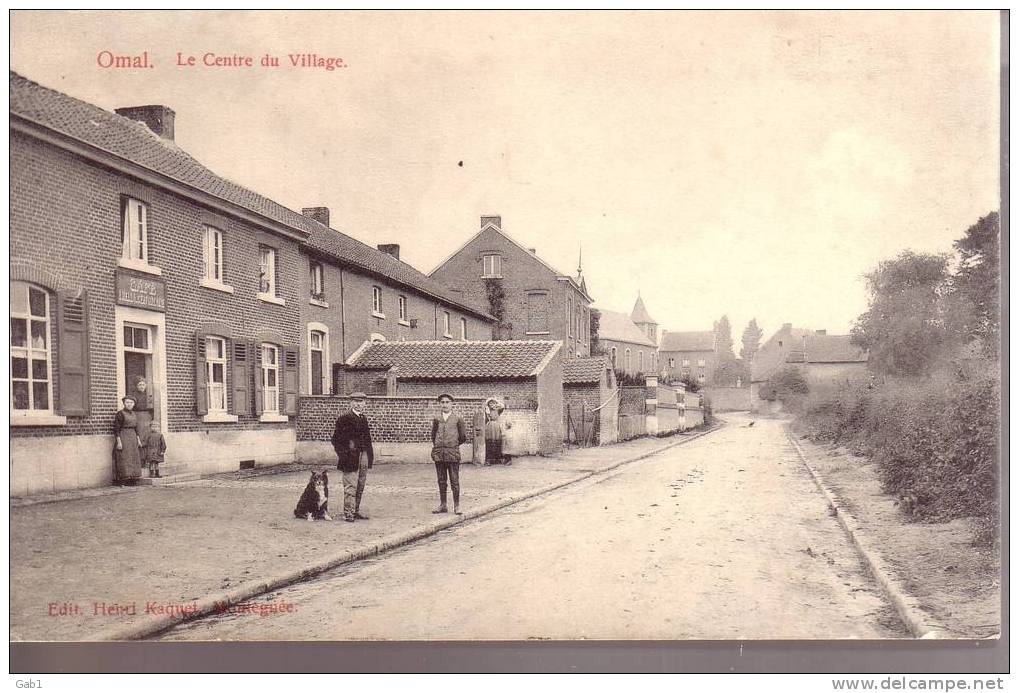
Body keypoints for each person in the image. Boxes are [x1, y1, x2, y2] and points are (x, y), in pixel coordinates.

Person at [331, 392, 374, 523]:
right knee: (351, 486)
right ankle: (348, 513)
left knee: (360, 484)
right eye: (355, 401)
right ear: (351, 403)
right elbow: (336, 441)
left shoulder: (363, 418)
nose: (358, 404)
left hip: (363, 456)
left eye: (361, 401)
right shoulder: (345, 418)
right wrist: (344, 456)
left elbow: (367, 439)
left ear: (365, 403)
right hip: (350, 457)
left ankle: (355, 510)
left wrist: (369, 456)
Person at [430, 393, 468, 515]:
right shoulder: (437, 419)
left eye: (447, 402)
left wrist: (452, 445)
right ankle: (443, 505)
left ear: (452, 404)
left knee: (454, 481)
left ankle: (457, 506)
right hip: (439, 454)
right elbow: (433, 435)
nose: (445, 404)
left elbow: (462, 437)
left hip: (452, 454)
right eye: (442, 402)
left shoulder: (458, 419)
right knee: (441, 480)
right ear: (440, 404)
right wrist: (438, 446)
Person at [113, 396, 143, 484]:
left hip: (133, 436)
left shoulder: (134, 414)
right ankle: (124, 479)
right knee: (124, 457)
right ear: (124, 403)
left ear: (134, 404)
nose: (129, 404)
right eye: (127, 402)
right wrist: (119, 441)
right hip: (123, 436)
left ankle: (133, 478)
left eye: (131, 403)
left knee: (133, 456)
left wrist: (138, 439)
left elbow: (136, 428)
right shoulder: (120, 414)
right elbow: (116, 429)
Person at [484, 397, 512, 466]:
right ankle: (490, 460)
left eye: (493, 403)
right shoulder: (487, 411)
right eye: (490, 403)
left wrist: (496, 404)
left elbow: (502, 406)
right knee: (490, 442)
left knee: (498, 441)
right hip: (490, 426)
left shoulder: (498, 409)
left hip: (497, 426)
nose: (492, 405)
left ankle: (498, 459)